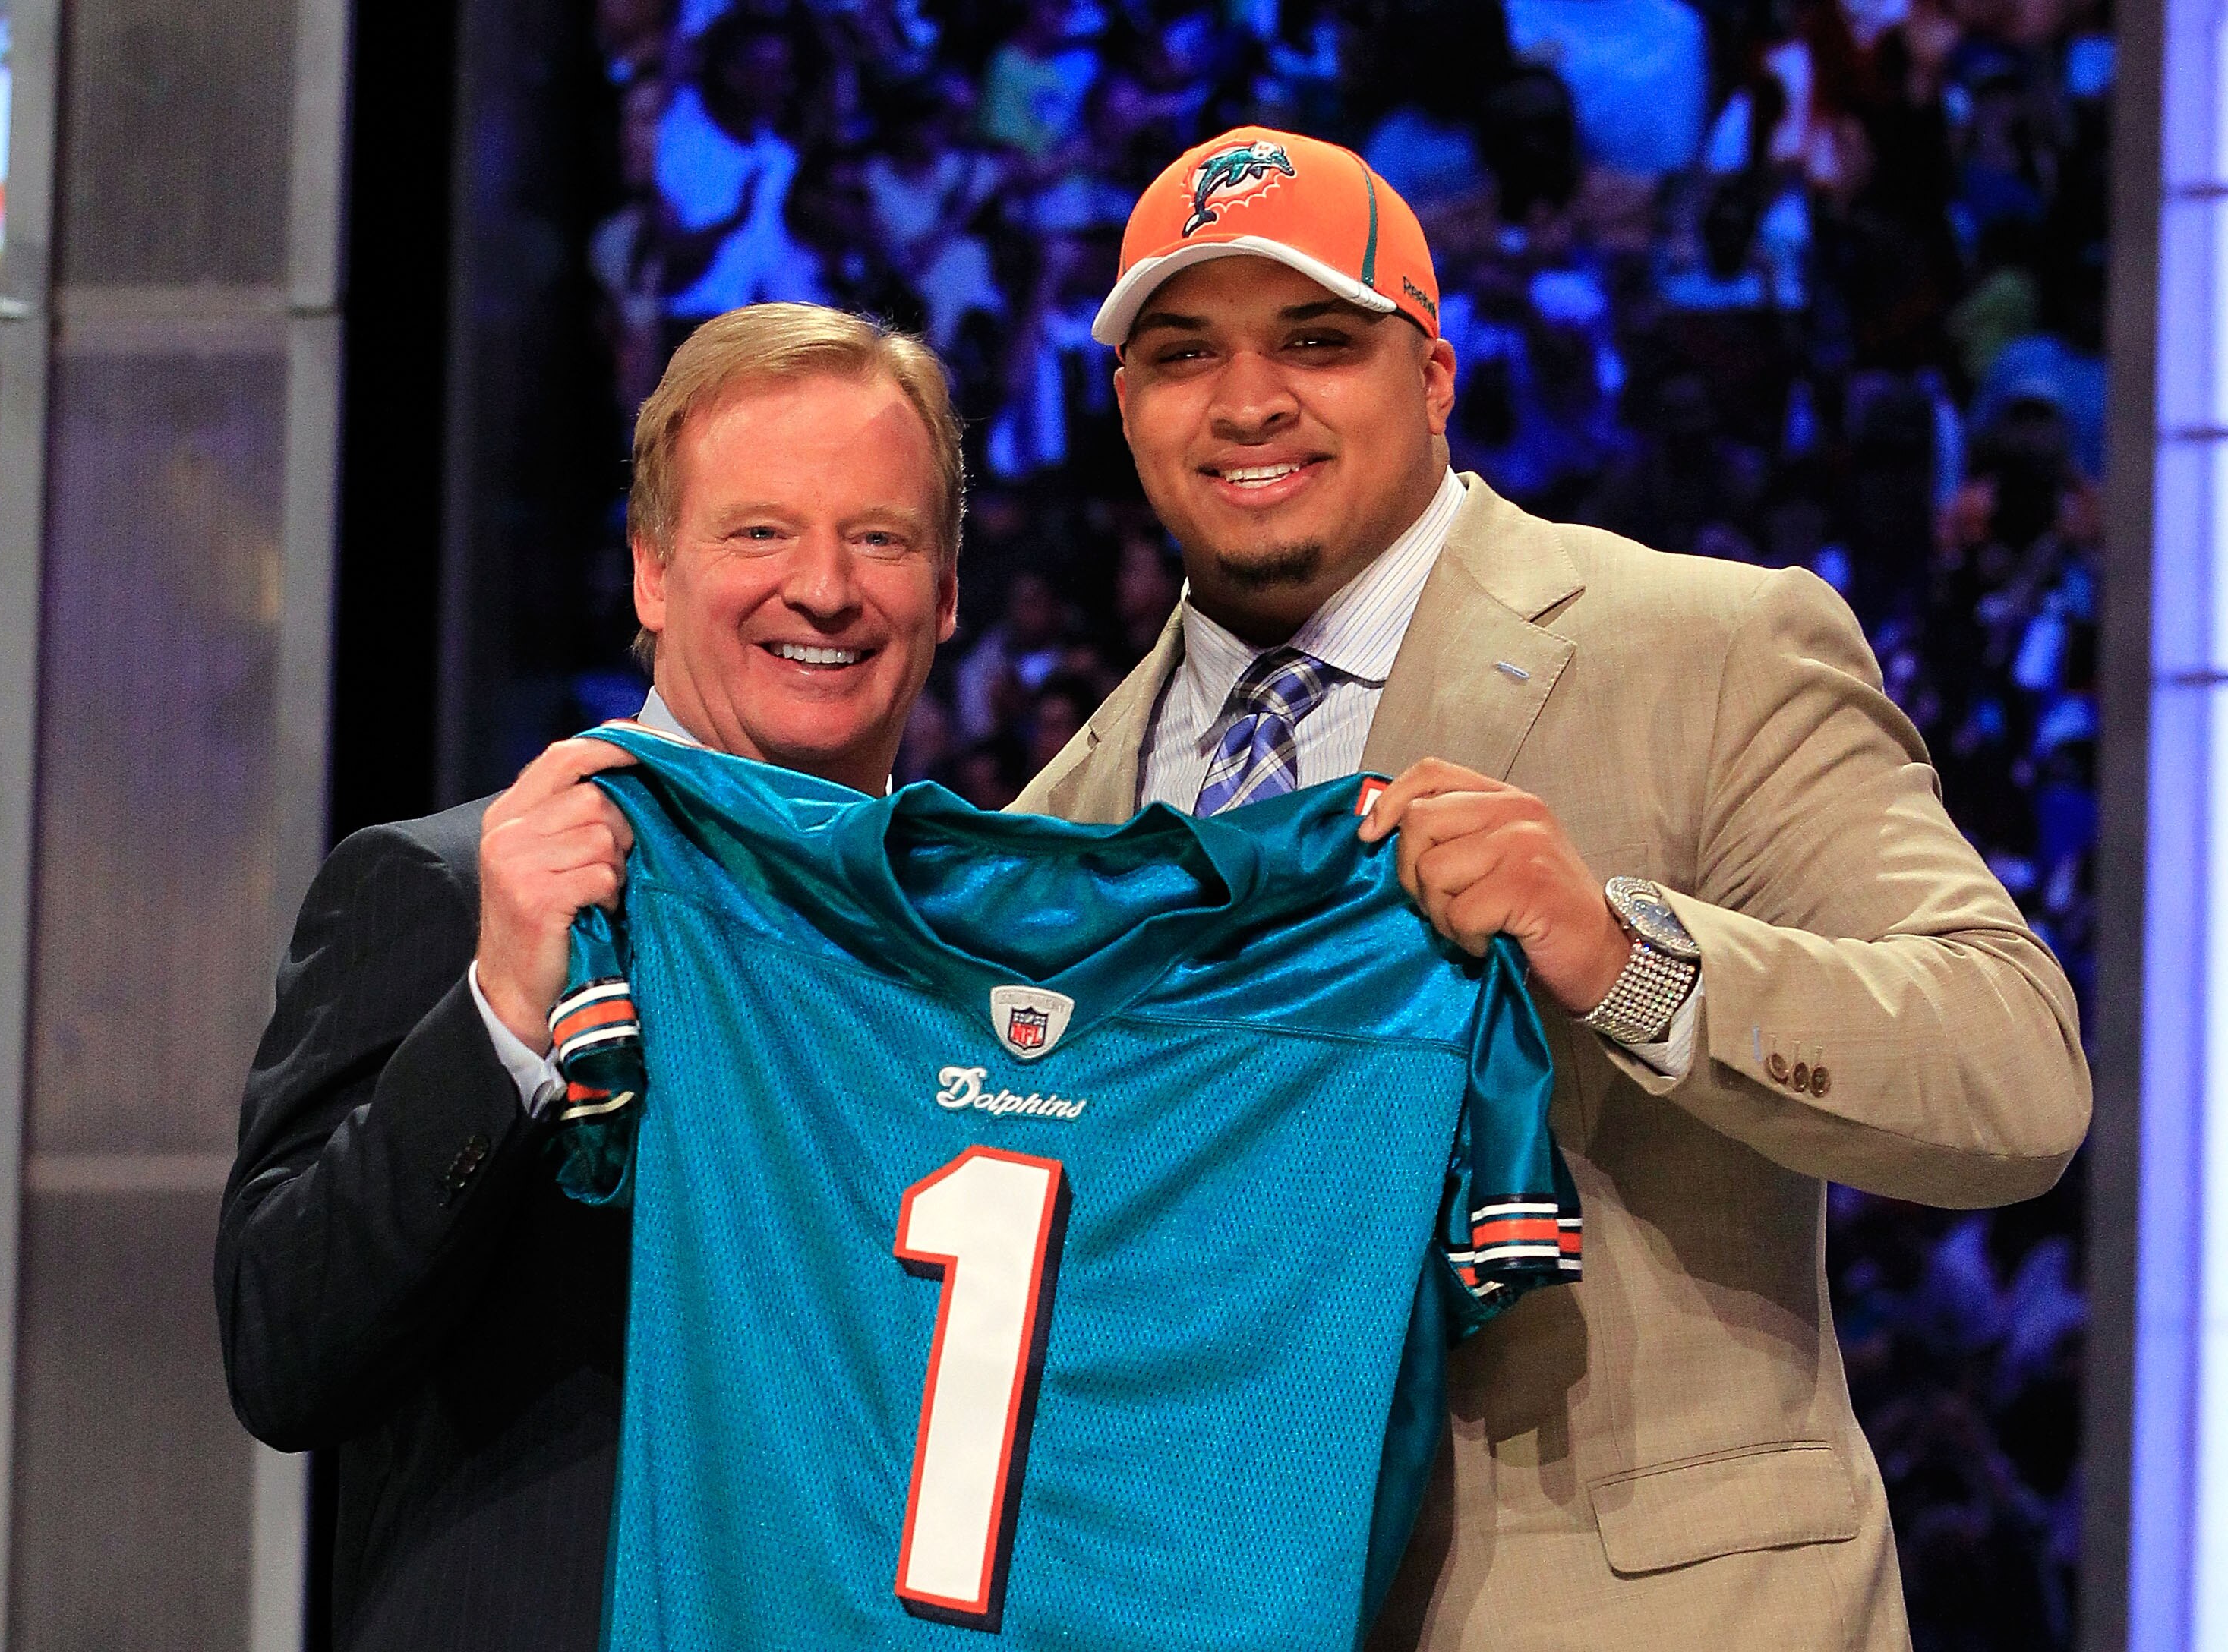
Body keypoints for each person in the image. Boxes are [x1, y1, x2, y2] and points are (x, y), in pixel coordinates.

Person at [1017, 126, 2091, 1650]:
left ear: (1433, 376)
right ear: (1125, 405)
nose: (1248, 400)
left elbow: (2015, 1071)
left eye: (1317, 340)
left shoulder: (1711, 650)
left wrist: (1625, 958)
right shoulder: (1060, 821)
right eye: (1184, 353)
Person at [214, 303, 961, 1652]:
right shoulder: (442, 892)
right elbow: (284, 1353)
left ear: (946, 591)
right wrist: (500, 1019)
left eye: (880, 538)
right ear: (652, 573)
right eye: (759, 532)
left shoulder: (979, 964)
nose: (825, 588)